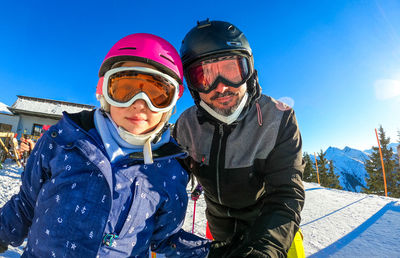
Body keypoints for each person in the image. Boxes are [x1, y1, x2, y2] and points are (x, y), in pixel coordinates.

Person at [0, 33, 211, 257]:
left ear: (171, 105)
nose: (139, 104)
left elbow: (167, 237)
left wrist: (211, 253)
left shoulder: (170, 170)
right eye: (124, 90)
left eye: (157, 95)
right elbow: (25, 206)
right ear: (104, 91)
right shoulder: (62, 140)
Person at [173, 19, 305, 257]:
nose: (221, 87)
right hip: (219, 228)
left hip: (273, 227)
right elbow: (167, 183)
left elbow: (286, 193)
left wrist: (267, 249)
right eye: (204, 76)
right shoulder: (186, 125)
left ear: (248, 70)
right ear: (193, 86)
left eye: (231, 71)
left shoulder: (278, 119)